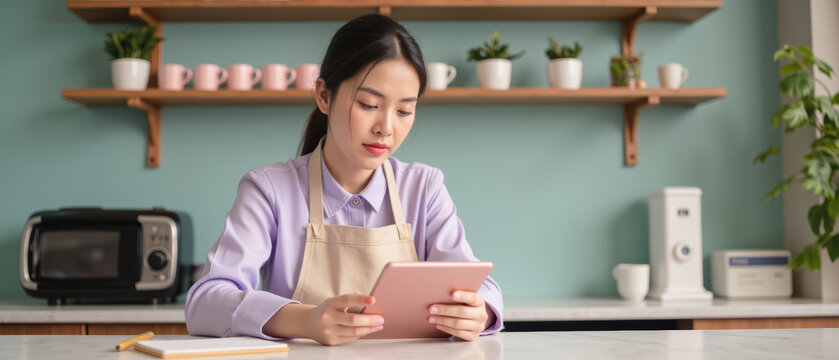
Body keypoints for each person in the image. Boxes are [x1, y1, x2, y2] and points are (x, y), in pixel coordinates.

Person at [184, 13, 503, 346]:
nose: (386, 127)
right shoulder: (269, 190)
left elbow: (480, 284)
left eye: (404, 111)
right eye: (368, 104)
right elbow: (205, 302)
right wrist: (305, 320)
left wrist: (481, 312)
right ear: (323, 95)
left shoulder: (424, 188)